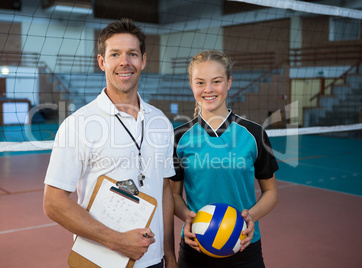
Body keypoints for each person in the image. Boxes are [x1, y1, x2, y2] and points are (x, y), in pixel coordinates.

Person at [43, 18, 177, 268]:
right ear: (102, 62)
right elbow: (53, 203)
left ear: (143, 61)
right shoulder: (78, 124)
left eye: (132, 54)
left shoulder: (161, 122)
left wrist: (169, 253)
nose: (124, 62)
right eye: (115, 54)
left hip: (154, 261)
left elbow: (165, 190)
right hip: (101, 261)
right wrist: (117, 241)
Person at [170, 50, 279, 268]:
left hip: (243, 246)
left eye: (216, 81)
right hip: (196, 246)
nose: (208, 90)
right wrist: (188, 217)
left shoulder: (253, 134)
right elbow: (173, 195)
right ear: (192, 85)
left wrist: (250, 218)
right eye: (200, 82)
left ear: (228, 83)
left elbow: (271, 192)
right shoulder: (179, 137)